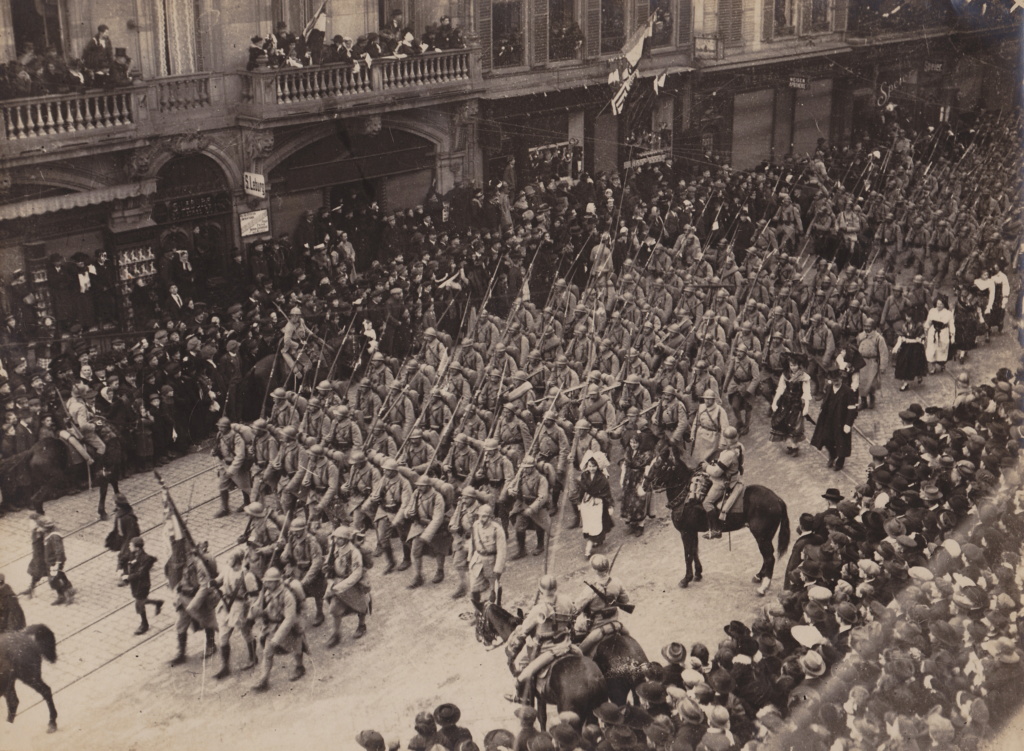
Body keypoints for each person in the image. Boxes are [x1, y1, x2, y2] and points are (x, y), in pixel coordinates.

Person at [504, 575, 575, 705]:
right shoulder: (566, 600)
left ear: (540, 589)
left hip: (545, 649)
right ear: (556, 587)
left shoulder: (538, 609)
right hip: (566, 643)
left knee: (520, 663)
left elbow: (525, 629)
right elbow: (573, 614)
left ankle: (521, 696)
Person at [250, 566, 306, 691]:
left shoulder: (287, 595)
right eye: (266, 581)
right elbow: (259, 606)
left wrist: (277, 637)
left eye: (269, 581)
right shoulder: (266, 592)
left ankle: (300, 667)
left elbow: (289, 618)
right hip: (272, 626)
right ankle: (264, 679)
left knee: (296, 648)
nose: (266, 583)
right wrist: (255, 609)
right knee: (267, 652)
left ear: (277, 581)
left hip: (289, 628)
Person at [213, 549, 260, 678]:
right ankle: (225, 666)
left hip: (240, 606)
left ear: (238, 560)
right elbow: (219, 579)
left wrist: (251, 615)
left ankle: (253, 657)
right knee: (223, 635)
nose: (229, 561)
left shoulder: (247, 575)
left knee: (246, 632)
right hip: (226, 604)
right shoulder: (227, 569)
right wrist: (214, 582)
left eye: (232, 559)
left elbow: (254, 597)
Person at [573, 554, 630, 655]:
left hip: (596, 629)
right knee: (630, 639)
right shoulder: (616, 582)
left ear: (595, 570)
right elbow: (625, 600)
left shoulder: (589, 590)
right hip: (616, 625)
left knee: (579, 654)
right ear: (608, 568)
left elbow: (576, 610)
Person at [324, 525, 371, 646]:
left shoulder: (354, 553)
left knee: (361, 607)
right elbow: (329, 562)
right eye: (335, 538)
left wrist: (339, 587)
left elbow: (356, 574)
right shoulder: (334, 549)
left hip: (353, 585)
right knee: (334, 609)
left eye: (339, 538)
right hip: (338, 583)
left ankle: (362, 625)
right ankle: (336, 634)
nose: (336, 540)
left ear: (346, 539)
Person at [810, 370, 859, 471]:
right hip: (829, 419)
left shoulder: (847, 391)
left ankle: (840, 461)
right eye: (833, 381)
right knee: (826, 439)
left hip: (841, 421)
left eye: (837, 380)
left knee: (841, 442)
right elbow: (826, 400)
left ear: (841, 379)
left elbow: (852, 409)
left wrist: (848, 424)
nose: (835, 382)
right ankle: (832, 455)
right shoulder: (828, 388)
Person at [568, 450, 614, 557]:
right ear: (587, 466)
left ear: (598, 466)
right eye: (590, 466)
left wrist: (610, 505)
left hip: (597, 503)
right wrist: (579, 502)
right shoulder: (584, 476)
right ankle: (596, 538)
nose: (592, 468)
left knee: (597, 522)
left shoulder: (602, 478)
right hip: (586, 502)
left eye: (594, 466)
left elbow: (607, 492)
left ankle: (588, 548)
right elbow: (582, 490)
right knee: (589, 523)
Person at [770, 353, 812, 456]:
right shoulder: (785, 375)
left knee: (794, 425)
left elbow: (806, 392)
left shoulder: (804, 377)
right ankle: (789, 445)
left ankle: (795, 447)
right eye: (791, 365)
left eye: (795, 365)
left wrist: (806, 406)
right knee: (784, 422)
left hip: (796, 403)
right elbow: (780, 388)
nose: (793, 367)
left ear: (799, 365)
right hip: (785, 402)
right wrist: (775, 402)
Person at [468, 504, 507, 613]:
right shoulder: (476, 525)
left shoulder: (497, 529)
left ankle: (496, 611)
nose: (481, 519)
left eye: (484, 516)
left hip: (491, 561)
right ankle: (477, 611)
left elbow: (502, 551)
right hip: (478, 559)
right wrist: (470, 558)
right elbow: (472, 542)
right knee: (474, 587)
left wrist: (498, 570)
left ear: (491, 517)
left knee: (494, 589)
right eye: (480, 516)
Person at [122, 537, 163, 635]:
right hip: (135, 584)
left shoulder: (146, 559)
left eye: (131, 545)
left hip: (143, 585)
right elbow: (123, 558)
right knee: (141, 600)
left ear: (137, 548)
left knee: (139, 603)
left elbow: (141, 574)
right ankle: (157, 602)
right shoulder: (132, 554)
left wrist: (128, 577)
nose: (129, 547)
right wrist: (120, 569)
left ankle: (144, 625)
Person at [690, 389, 731, 463]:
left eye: (709, 399)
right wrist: (692, 434)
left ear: (713, 400)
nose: (707, 401)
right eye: (705, 399)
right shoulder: (701, 407)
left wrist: (722, 443)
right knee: (699, 459)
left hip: (713, 439)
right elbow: (696, 422)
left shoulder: (720, 411)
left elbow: (724, 428)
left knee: (711, 460)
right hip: (700, 437)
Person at [41, 517, 74, 605]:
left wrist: (58, 563)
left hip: (54, 562)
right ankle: (69, 588)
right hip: (51, 560)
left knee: (54, 580)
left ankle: (63, 595)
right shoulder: (48, 533)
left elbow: (59, 550)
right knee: (59, 575)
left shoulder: (54, 536)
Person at [892, 320, 927, 391]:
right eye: (906, 316)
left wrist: (918, 339)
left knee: (916, 363)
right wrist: (898, 344)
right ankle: (905, 382)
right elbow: (900, 335)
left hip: (916, 348)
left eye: (909, 316)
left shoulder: (919, 325)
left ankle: (919, 375)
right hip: (906, 348)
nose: (907, 318)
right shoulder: (904, 325)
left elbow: (922, 339)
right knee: (904, 364)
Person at [924, 296, 955, 374]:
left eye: (941, 304)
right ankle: (933, 367)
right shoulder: (932, 311)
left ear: (944, 305)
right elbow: (928, 322)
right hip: (933, 332)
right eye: (938, 303)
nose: (939, 305)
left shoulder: (948, 313)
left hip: (943, 332)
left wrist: (952, 335)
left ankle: (941, 364)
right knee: (932, 350)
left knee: (942, 350)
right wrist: (926, 329)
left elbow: (951, 324)